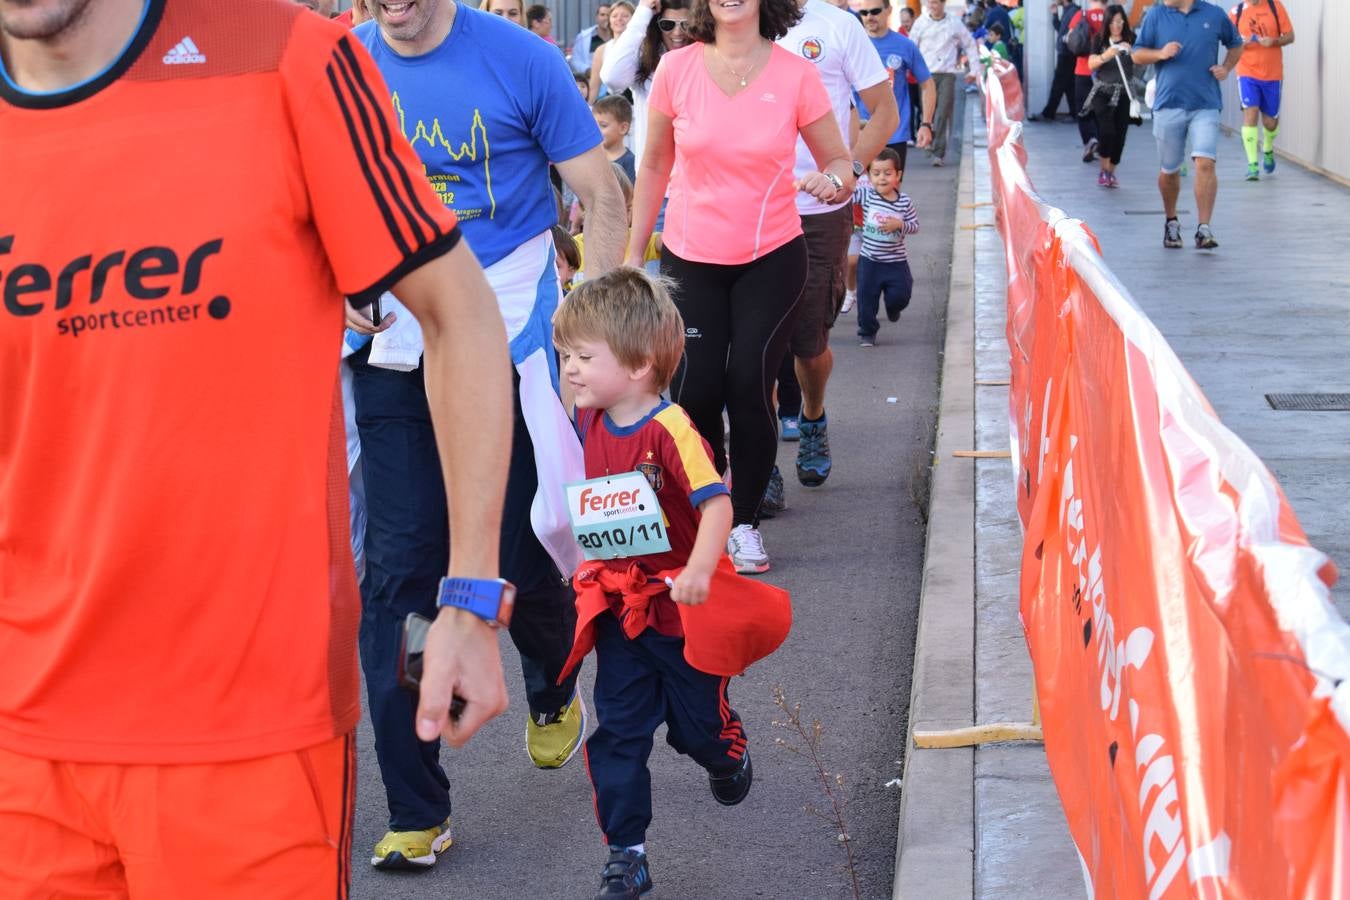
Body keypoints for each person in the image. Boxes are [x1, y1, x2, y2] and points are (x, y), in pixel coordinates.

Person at [0, 0, 515, 897]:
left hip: (250, 734)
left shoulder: (286, 59)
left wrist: (471, 592)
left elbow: (459, 313)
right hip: (19, 744)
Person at [354, 0, 627, 870]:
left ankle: (552, 681)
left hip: (507, 339)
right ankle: (416, 805)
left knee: (517, 552)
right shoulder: (342, 65)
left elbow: (602, 193)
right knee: (401, 574)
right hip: (393, 341)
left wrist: (601, 327)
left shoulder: (522, 59)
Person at [552, 268, 785, 900]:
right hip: (623, 612)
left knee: (695, 731)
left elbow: (718, 507)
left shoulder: (672, 429)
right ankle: (626, 853)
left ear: (639, 365)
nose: (569, 369)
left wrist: (702, 572)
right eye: (565, 355)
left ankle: (727, 750)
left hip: (684, 613)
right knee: (617, 733)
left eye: (582, 356)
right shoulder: (589, 417)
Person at [627, 0, 854, 573]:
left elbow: (842, 164)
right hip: (690, 256)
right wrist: (634, 255)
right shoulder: (676, 70)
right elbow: (653, 165)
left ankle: (746, 523)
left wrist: (833, 182)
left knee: (748, 387)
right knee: (697, 392)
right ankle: (713, 510)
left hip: (771, 257)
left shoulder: (795, 74)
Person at [767, 0, 898, 507]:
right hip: (751, 206)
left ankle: (814, 415)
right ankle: (762, 464)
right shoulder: (738, 21)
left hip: (819, 207)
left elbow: (884, 109)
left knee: (807, 342)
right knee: (755, 342)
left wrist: (852, 172)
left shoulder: (838, 26)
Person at [1133, 0, 1243, 249]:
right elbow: (1137, 54)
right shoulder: (1156, 16)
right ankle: (1171, 221)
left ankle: (1204, 228)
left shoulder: (1214, 14)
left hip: (1205, 104)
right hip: (1168, 105)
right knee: (1169, 171)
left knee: (1205, 162)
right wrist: (1160, 54)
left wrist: (1226, 67)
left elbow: (1236, 44)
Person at [599, 0, 691, 171]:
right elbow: (611, 77)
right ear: (657, 25)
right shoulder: (645, 59)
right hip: (656, 182)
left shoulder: (707, 57)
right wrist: (642, 12)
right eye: (667, 25)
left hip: (698, 182)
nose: (677, 32)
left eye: (686, 25)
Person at [856, 0, 935, 171]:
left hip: (895, 134)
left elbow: (928, 84)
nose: (869, 17)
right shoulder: (852, 45)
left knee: (889, 194)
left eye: (875, 11)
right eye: (864, 13)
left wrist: (926, 124)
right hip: (860, 134)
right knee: (858, 195)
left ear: (889, 10)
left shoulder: (905, 45)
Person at [852, 148, 919, 346]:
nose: (882, 178)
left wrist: (900, 225)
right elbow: (846, 194)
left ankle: (893, 308)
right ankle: (867, 332)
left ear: (898, 175)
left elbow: (915, 226)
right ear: (869, 176)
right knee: (866, 299)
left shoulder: (904, 202)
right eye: (876, 173)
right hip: (869, 261)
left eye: (887, 173)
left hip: (896, 262)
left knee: (901, 295)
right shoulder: (865, 195)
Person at [1230, 0, 1294, 181]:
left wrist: (1274, 41)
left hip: (1272, 74)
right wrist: (1239, 44)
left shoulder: (1275, 6)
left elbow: (1290, 36)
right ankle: (1252, 165)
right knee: (1250, 113)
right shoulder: (1236, 12)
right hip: (1247, 73)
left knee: (1270, 123)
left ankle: (1267, 147)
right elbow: (1227, 41)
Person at [909, 0, 979, 165]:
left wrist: (974, 70)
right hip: (926, 75)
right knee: (928, 113)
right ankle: (928, 138)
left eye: (935, 3)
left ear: (943, 3)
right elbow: (911, 47)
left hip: (947, 74)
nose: (932, 6)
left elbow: (969, 44)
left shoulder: (954, 23)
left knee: (943, 112)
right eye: (930, 3)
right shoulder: (921, 23)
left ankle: (938, 153)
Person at [1084, 4, 1138, 188]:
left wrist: (1131, 51)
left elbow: (1141, 61)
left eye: (1120, 21)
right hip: (1103, 92)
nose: (1117, 25)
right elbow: (1091, 64)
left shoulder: (1131, 39)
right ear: (1107, 22)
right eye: (1114, 21)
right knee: (1107, 131)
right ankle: (1103, 171)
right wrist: (1106, 55)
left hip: (1123, 93)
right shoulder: (1099, 40)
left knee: (1121, 136)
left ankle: (1111, 172)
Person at [1065, 0, 1105, 161]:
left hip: (1083, 69)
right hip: (1104, 71)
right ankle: (1101, 142)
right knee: (1102, 110)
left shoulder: (1081, 15)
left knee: (1083, 109)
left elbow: (1070, 38)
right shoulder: (1112, 16)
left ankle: (1090, 140)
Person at [1038, 0, 1080, 120]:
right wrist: (1055, 14)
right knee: (1068, 85)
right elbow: (1061, 29)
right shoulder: (1068, 11)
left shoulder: (1073, 12)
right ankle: (1075, 113)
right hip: (1067, 53)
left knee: (1058, 84)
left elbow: (1069, 34)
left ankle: (1049, 113)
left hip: (1067, 54)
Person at [590, 0, 635, 100]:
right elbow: (594, 87)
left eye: (625, 16)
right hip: (611, 105)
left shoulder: (642, 47)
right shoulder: (601, 50)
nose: (619, 19)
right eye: (614, 16)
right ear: (609, 21)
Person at [594, 93, 637, 181]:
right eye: (594, 125)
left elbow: (629, 194)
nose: (596, 130)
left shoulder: (630, 162)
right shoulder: (595, 157)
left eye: (603, 125)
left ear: (623, 128)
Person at [572, 2, 614, 74]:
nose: (606, 18)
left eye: (609, 15)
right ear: (597, 17)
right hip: (590, 79)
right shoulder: (584, 37)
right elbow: (576, 60)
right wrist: (588, 70)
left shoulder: (619, 37)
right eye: (602, 15)